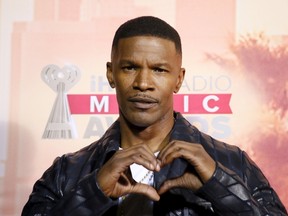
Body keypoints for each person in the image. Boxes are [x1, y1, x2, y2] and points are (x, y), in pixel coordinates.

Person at [22, 16, 287, 216]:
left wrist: (219, 184)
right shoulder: (66, 172)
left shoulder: (233, 163)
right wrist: (93, 191)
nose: (143, 83)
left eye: (159, 70)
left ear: (179, 79)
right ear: (111, 74)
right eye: (129, 67)